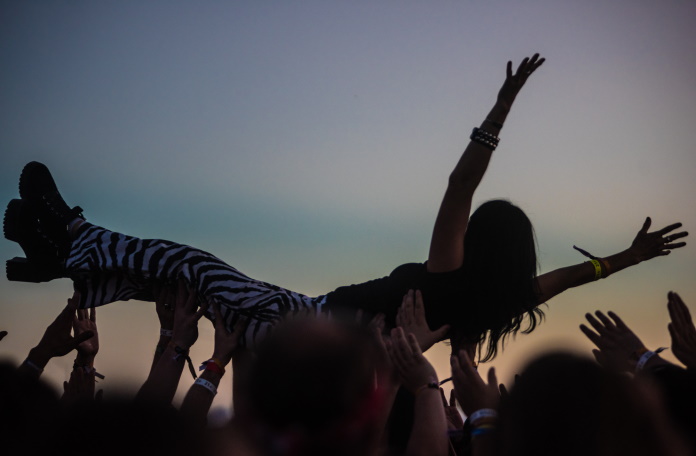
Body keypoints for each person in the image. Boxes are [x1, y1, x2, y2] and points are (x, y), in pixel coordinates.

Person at [4, 54, 688, 359]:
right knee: (191, 281)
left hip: (310, 331)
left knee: (198, 268)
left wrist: (500, 111)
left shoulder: (450, 271)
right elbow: (576, 275)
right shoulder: (497, 297)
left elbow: (459, 185)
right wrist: (631, 256)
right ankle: (70, 255)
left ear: (480, 239)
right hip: (321, 348)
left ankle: (75, 239)